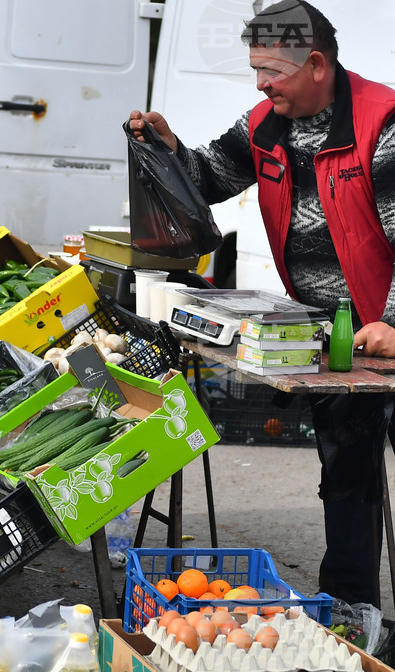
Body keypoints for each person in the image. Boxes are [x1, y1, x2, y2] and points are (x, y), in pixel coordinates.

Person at [129, 0, 395, 608]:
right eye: (255, 69)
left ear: (318, 65)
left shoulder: (384, 124)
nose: (260, 83)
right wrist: (171, 151)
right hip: (335, 334)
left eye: (272, 70)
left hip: (387, 325)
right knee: (347, 474)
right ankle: (351, 613)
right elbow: (205, 178)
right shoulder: (265, 124)